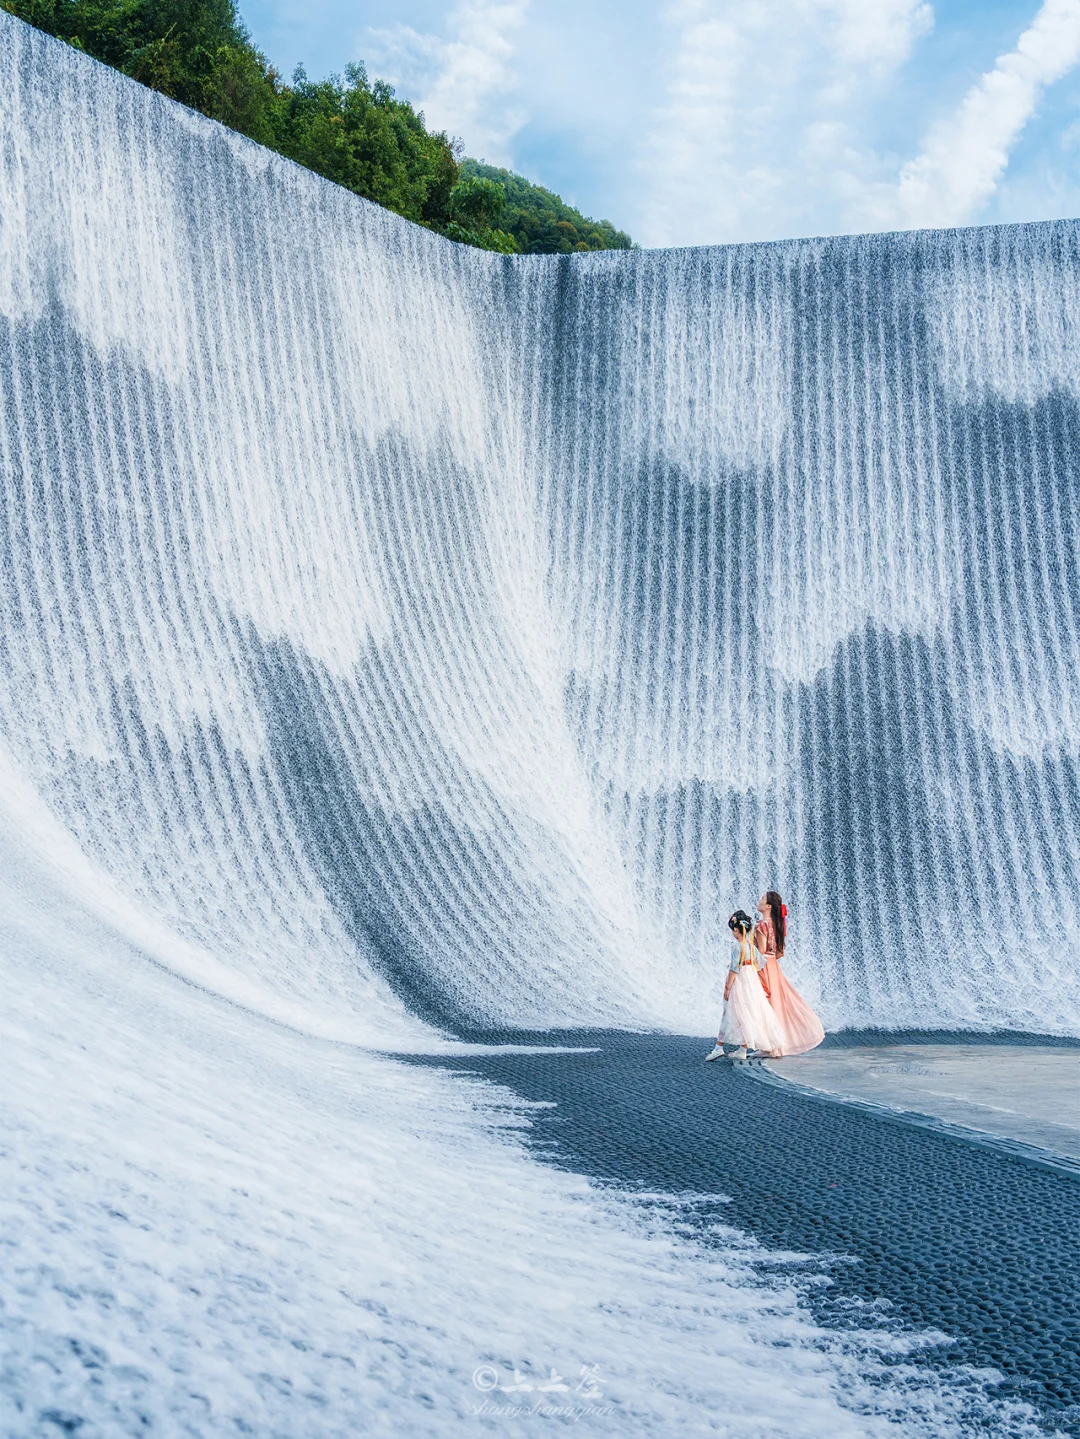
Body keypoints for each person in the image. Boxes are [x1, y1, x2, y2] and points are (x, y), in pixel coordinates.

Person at [705, 911, 785, 1061]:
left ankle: (718, 1047)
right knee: (747, 1013)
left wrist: (727, 988)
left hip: (740, 983)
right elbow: (761, 963)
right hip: (751, 981)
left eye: (732, 931)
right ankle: (742, 1049)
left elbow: (734, 970)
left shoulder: (737, 947)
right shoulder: (750, 947)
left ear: (736, 930)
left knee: (728, 1013)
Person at [754, 890, 824, 1056]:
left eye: (763, 899)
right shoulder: (777, 924)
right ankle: (775, 1046)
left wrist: (749, 964)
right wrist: (771, 961)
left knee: (764, 1005)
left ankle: (769, 1046)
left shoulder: (762, 925)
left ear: (768, 906)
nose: (760, 900)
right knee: (776, 1005)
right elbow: (780, 953)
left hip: (763, 966)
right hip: (773, 967)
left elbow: (761, 951)